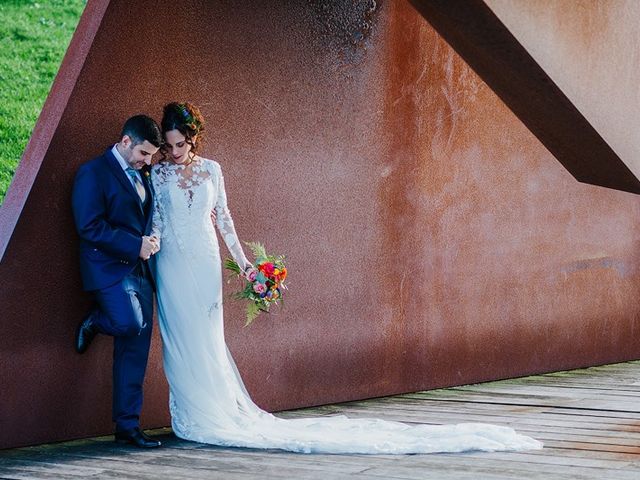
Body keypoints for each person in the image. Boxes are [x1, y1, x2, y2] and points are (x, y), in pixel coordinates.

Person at [150, 101, 543, 454]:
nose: (174, 152)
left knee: (208, 335)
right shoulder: (157, 174)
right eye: (169, 146)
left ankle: (215, 409)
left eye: (180, 144)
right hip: (169, 262)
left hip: (205, 261)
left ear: (194, 138)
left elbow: (225, 221)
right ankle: (190, 412)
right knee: (179, 336)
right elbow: (155, 222)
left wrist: (246, 266)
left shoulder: (212, 170)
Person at [72, 115, 163, 449]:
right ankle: (96, 320)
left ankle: (128, 427)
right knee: (127, 322)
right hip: (108, 269)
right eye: (143, 153)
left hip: (141, 271)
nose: (147, 161)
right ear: (126, 142)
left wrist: (151, 239)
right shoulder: (92, 173)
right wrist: (133, 245)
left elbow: (147, 215)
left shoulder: (144, 173)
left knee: (135, 350)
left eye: (151, 155)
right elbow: (89, 226)